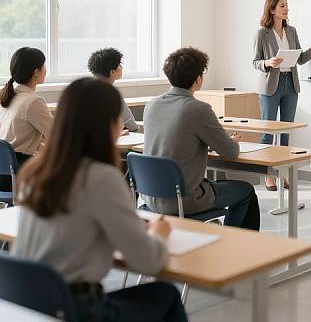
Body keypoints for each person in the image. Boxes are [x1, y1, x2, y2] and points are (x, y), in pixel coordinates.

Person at [12, 77, 187, 322]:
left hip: (28, 304)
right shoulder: (100, 177)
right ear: (108, 124)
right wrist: (159, 234)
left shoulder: (34, 173)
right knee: (165, 295)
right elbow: (148, 262)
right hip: (77, 310)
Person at [143, 47, 260, 230]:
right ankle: (238, 249)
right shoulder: (198, 109)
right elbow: (230, 152)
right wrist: (232, 141)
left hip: (151, 197)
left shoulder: (151, 105)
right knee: (246, 191)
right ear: (198, 79)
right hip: (184, 199)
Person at [253, 0, 311, 190]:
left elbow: (299, 59)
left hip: (290, 85)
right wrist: (268, 62)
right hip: (270, 85)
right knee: (267, 132)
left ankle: (281, 174)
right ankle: (267, 176)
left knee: (286, 132)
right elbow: (255, 62)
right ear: (272, 9)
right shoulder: (262, 33)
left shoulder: (291, 31)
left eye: (287, 6)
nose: (286, 9)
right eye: (282, 6)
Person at [0, 47, 52, 190]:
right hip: (18, 175)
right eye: (44, 66)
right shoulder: (33, 101)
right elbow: (58, 136)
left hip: (4, 173)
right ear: (36, 72)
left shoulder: (7, 97)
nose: (45, 69)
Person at [87, 47, 139, 132]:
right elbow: (129, 123)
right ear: (112, 72)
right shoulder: (112, 93)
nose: (122, 67)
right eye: (119, 65)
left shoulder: (84, 90)